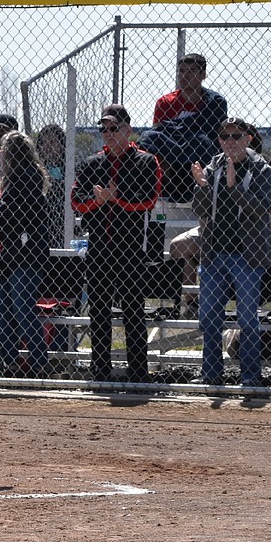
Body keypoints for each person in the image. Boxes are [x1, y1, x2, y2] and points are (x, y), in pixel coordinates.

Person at [71, 104, 162, 383]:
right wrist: (96, 202)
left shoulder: (146, 161)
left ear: (127, 130)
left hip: (131, 248)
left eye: (113, 128)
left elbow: (148, 200)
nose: (107, 134)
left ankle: (137, 373)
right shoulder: (92, 163)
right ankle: (101, 371)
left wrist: (116, 198)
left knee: (134, 311)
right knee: (99, 312)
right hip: (98, 247)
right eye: (103, 129)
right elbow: (76, 201)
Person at [191, 118, 271, 387]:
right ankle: (211, 375)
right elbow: (200, 210)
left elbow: (261, 211)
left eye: (236, 136)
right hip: (214, 254)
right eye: (225, 136)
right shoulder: (213, 165)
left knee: (247, 318)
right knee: (208, 317)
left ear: (248, 139)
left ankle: (250, 376)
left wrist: (234, 188)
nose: (230, 141)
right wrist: (203, 186)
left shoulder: (261, 167)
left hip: (247, 256)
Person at [0, 131, 52, 377]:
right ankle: (12, 361)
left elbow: (18, 216)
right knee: (4, 308)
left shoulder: (25, 178)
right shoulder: (15, 179)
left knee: (20, 309)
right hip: (13, 255)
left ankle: (38, 363)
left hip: (26, 256)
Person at [137, 53, 227, 203]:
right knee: (148, 137)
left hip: (198, 154)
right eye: (181, 71)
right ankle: (142, 192)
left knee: (200, 140)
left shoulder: (215, 101)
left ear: (202, 74)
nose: (184, 75)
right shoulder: (165, 102)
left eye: (191, 71)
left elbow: (210, 133)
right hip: (172, 154)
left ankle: (205, 192)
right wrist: (184, 126)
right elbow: (157, 134)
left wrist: (170, 127)